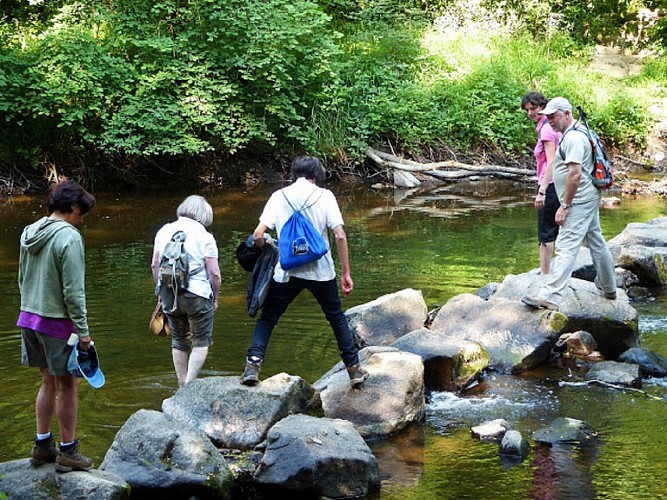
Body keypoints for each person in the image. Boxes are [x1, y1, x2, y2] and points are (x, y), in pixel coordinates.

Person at [240, 156, 369, 388]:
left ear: (294, 173)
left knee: (268, 318)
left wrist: (271, 250)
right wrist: (346, 273)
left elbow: (258, 235)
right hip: (322, 271)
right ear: (316, 175)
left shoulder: (279, 197)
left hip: (287, 272)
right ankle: (354, 370)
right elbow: (339, 235)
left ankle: (253, 365)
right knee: (336, 318)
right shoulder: (325, 196)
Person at [17, 180, 96, 472]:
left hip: (28, 317)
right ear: (73, 206)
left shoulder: (30, 231)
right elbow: (74, 292)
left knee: (47, 381)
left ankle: (41, 445)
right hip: (56, 322)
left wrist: (28, 308)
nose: (82, 219)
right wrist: (83, 331)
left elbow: (22, 278)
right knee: (68, 385)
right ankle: (68, 450)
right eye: (81, 213)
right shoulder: (69, 238)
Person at [521, 97, 617, 311]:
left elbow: (574, 174)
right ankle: (609, 288)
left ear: (566, 113)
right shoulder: (578, 131)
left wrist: (564, 205)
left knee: (566, 244)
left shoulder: (573, 138)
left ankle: (550, 295)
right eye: (547, 116)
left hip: (579, 198)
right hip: (588, 194)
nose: (550, 121)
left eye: (553, 116)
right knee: (595, 240)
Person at [152, 195, 221, 386]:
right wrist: (214, 297)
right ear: (204, 216)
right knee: (201, 341)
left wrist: (160, 292)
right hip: (198, 294)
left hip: (169, 293)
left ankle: (181, 383)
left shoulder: (164, 231)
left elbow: (155, 264)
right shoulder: (205, 237)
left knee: (178, 340)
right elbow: (214, 273)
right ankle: (189, 384)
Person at [521, 91, 562, 275]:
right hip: (559, 182)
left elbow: (551, 160)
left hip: (551, 184)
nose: (530, 113)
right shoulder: (548, 125)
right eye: (527, 109)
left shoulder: (546, 129)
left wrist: (542, 190)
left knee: (545, 233)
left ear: (543, 107)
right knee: (557, 228)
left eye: (534, 108)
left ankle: (544, 276)